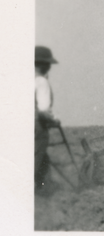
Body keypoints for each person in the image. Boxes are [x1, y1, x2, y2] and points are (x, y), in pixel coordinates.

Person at [35, 45, 60, 195]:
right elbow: (43, 111)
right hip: (37, 128)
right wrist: (54, 121)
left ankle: (43, 191)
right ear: (44, 65)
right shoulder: (41, 82)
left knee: (41, 160)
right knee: (35, 160)